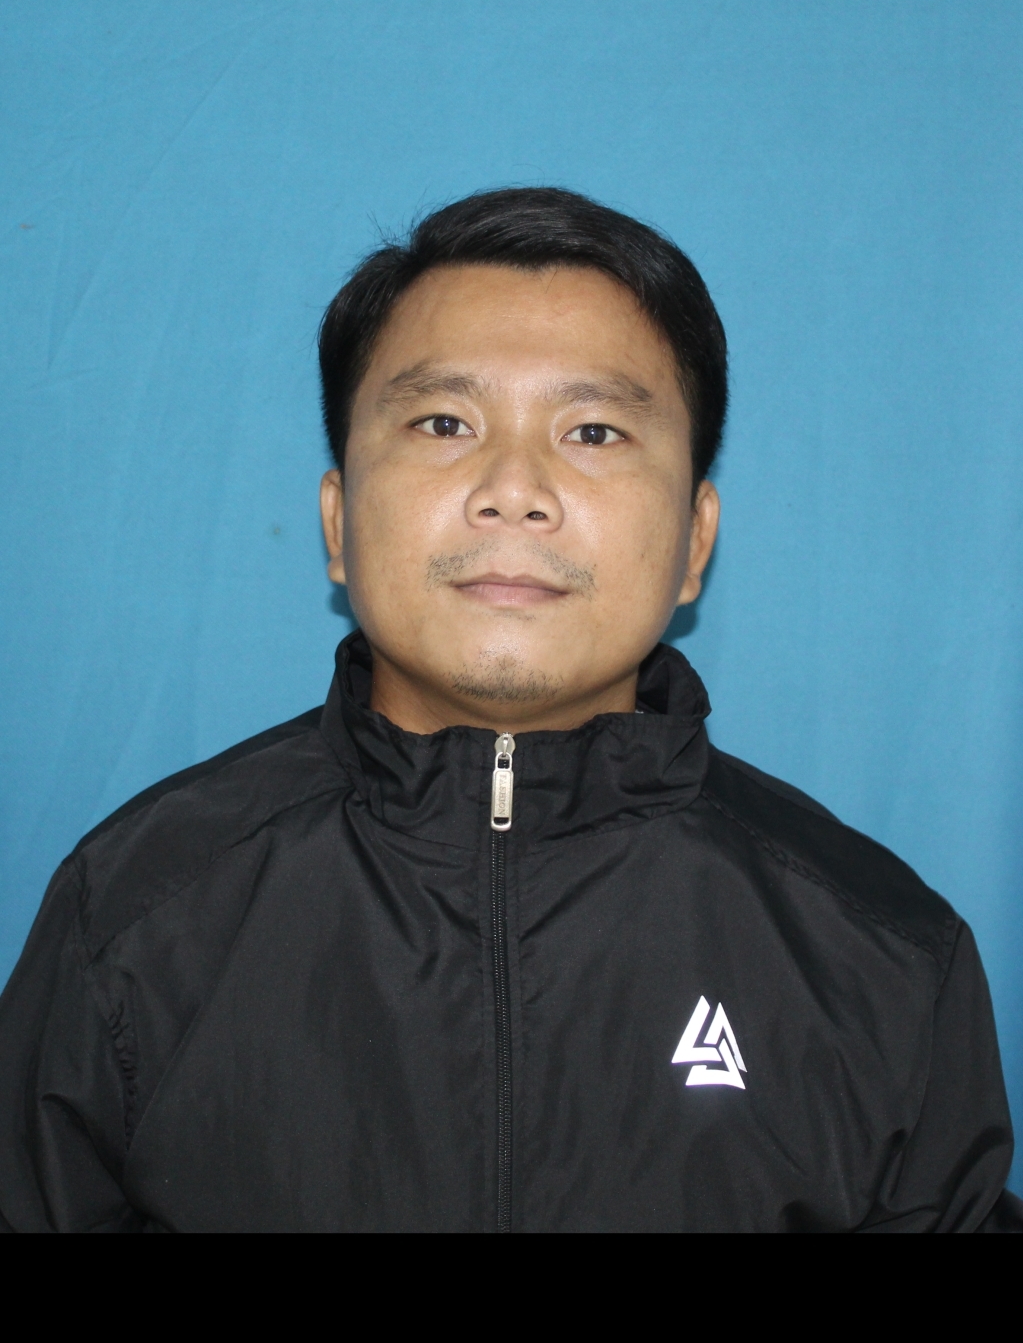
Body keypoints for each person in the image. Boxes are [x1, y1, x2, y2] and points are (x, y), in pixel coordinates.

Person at [0, 187, 1018, 1233]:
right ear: (338, 523)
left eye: (594, 430)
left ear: (695, 543)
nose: (515, 488)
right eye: (445, 422)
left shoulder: (880, 957)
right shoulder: (132, 918)